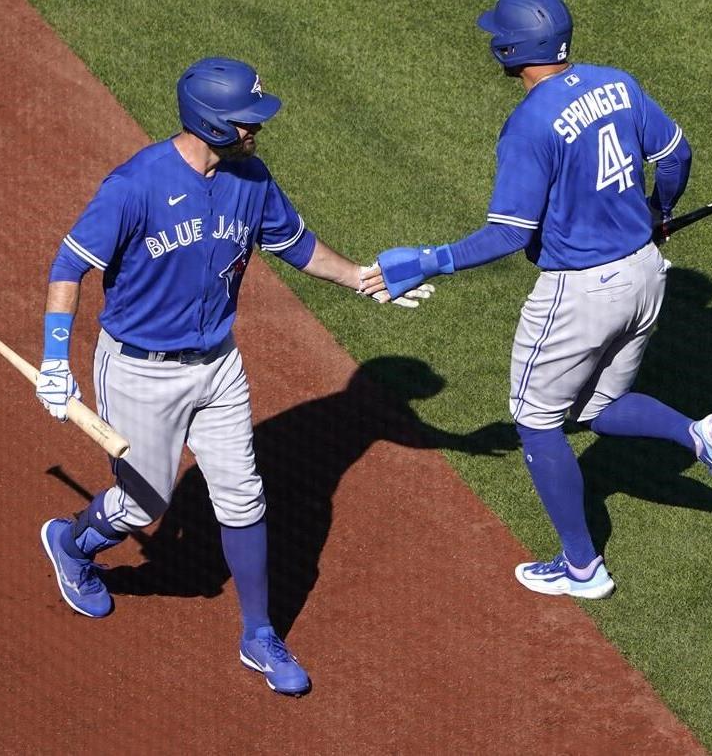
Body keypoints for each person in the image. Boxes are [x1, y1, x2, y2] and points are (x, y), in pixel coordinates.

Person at [36, 56, 431, 697]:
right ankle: (73, 541)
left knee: (244, 497)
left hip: (218, 366)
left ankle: (259, 636)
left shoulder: (251, 178)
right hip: (140, 371)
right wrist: (56, 360)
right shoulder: (135, 185)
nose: (258, 130)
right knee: (142, 505)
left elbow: (298, 247)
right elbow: (67, 265)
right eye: (248, 121)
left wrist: (363, 278)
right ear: (212, 123)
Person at [368, 0, 712, 600]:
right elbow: (676, 153)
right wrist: (659, 211)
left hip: (580, 293)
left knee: (536, 420)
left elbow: (509, 233)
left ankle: (582, 567)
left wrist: (430, 261)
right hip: (647, 274)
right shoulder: (618, 83)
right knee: (598, 410)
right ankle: (699, 435)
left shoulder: (528, 125)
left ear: (507, 49)